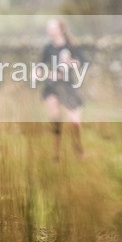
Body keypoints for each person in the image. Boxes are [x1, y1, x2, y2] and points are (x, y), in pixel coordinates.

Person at [41, 18, 85, 159]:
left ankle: (78, 149)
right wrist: (47, 73)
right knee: (55, 120)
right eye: (48, 28)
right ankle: (56, 152)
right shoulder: (47, 48)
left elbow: (82, 61)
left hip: (67, 86)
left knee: (75, 121)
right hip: (52, 87)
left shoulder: (71, 46)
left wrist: (71, 63)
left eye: (52, 28)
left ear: (61, 30)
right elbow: (40, 67)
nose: (49, 31)